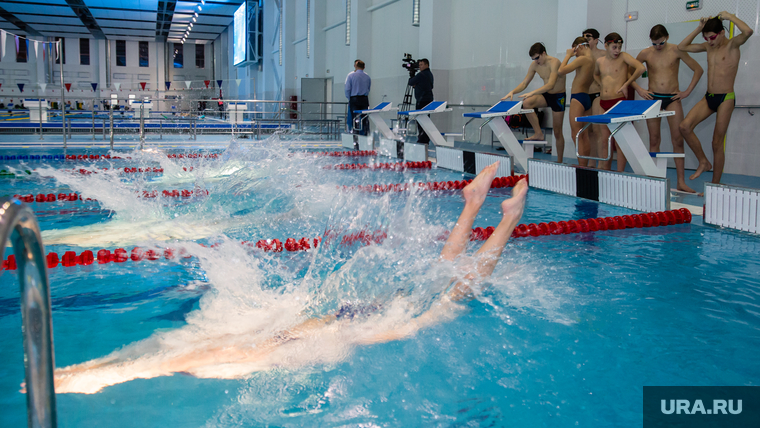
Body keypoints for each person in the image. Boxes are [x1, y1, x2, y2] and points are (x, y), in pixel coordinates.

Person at [51, 162, 528, 394]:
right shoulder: (234, 351)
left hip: (340, 324)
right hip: (341, 325)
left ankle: (496, 214)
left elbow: (177, 359)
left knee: (446, 296)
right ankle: (486, 211)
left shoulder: (234, 353)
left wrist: (92, 375)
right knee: (443, 292)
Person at [678, 12, 753, 184]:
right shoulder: (708, 47)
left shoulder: (733, 45)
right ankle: (704, 161)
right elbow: (682, 47)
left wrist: (730, 16)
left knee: (716, 142)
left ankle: (715, 184)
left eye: (712, 37)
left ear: (722, 33)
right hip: (709, 97)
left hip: (725, 98)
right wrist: (699, 28)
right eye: (706, 39)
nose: (709, 41)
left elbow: (748, 32)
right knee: (685, 126)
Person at [633, 24, 703, 192]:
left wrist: (686, 92)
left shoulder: (676, 50)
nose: (658, 47)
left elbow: (698, 70)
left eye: (661, 43)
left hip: (672, 98)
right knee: (654, 140)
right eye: (655, 43)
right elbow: (629, 73)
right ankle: (654, 179)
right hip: (653, 99)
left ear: (667, 38)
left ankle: (681, 182)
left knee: (677, 140)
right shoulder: (645, 53)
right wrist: (639, 89)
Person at [502, 42, 566, 163]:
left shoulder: (555, 62)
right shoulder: (534, 65)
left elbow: (551, 84)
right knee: (526, 103)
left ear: (544, 53)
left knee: (557, 132)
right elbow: (524, 83)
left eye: (537, 58)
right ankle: (538, 133)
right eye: (533, 59)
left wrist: (532, 92)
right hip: (547, 95)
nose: (536, 61)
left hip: (558, 96)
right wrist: (512, 91)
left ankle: (560, 161)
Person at [593, 32, 645, 172]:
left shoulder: (623, 57)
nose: (617, 51)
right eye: (614, 47)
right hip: (603, 103)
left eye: (619, 47)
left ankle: (620, 172)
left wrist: (626, 84)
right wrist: (601, 85)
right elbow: (595, 74)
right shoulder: (600, 61)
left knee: (620, 141)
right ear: (606, 45)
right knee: (605, 140)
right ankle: (606, 171)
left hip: (618, 102)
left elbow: (641, 68)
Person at [558, 37, 596, 167]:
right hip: (586, 98)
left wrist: (568, 56)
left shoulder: (583, 59)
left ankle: (581, 165)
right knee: (584, 134)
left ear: (580, 46)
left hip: (577, 98)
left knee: (576, 134)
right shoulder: (592, 59)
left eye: (576, 50)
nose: (576, 54)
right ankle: (584, 165)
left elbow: (561, 71)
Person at [582, 29, 605, 166]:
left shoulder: (603, 55)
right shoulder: (582, 56)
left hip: (598, 94)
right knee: (589, 130)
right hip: (585, 94)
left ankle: (601, 163)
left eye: (589, 38)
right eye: (584, 38)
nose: (586, 40)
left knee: (597, 129)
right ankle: (591, 162)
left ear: (596, 40)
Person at [408, 58, 434, 144]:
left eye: (421, 65)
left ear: (427, 65)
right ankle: (425, 139)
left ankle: (422, 139)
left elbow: (411, 82)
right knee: (426, 120)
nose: (420, 67)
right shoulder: (429, 74)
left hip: (422, 101)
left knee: (421, 121)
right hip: (428, 100)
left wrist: (412, 76)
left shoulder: (421, 75)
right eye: (419, 65)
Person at [345, 59, 371, 134]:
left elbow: (347, 89)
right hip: (364, 99)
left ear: (355, 66)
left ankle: (355, 135)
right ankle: (366, 134)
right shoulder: (367, 77)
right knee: (365, 117)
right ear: (364, 67)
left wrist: (349, 98)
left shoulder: (351, 76)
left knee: (355, 118)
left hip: (354, 99)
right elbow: (368, 88)